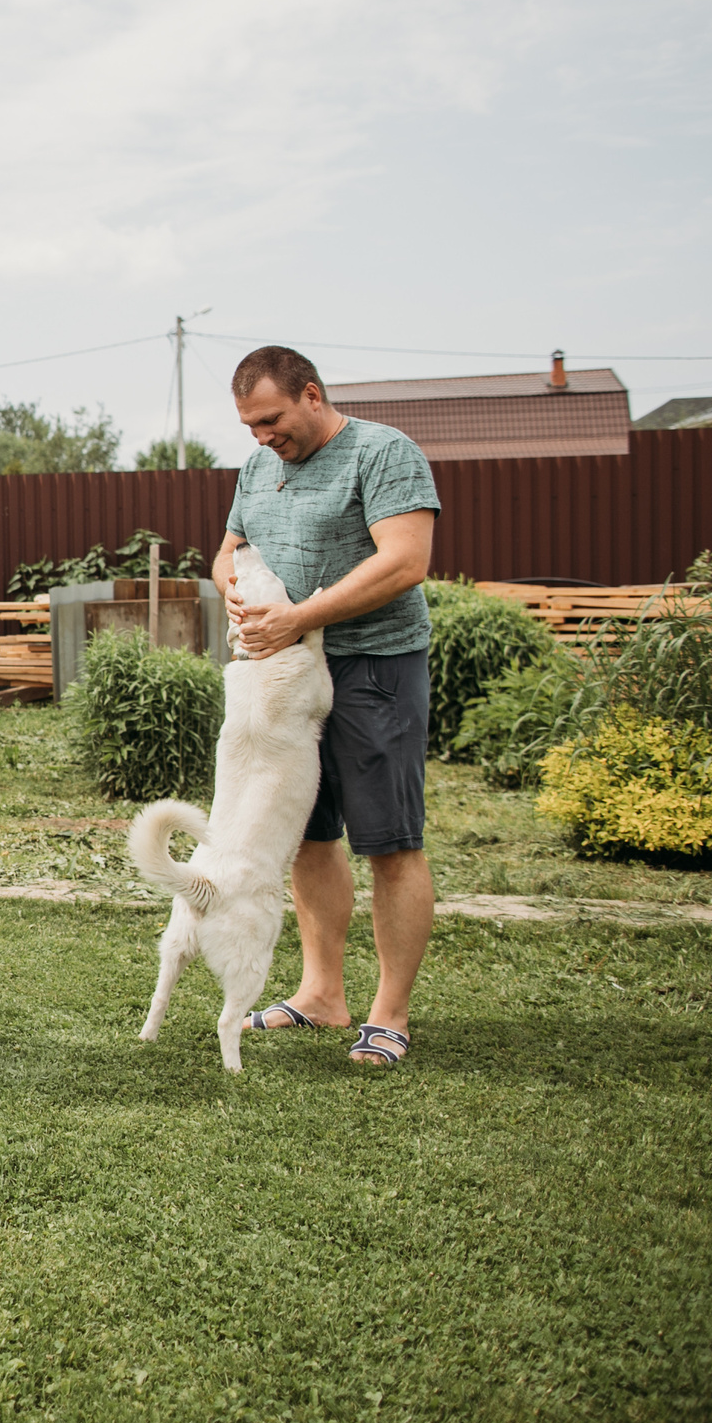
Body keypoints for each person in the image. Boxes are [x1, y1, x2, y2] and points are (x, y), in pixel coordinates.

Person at [214, 344, 441, 1069]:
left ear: (312, 394)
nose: (262, 437)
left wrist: (299, 615)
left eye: (272, 420)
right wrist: (233, 589)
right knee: (310, 833)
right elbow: (227, 551)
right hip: (283, 673)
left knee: (390, 842)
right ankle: (322, 993)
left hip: (373, 667)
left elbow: (405, 559)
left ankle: (390, 1013)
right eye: (250, 425)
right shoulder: (258, 469)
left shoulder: (384, 453)